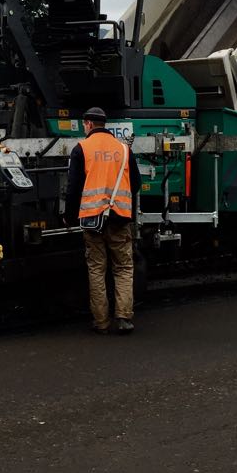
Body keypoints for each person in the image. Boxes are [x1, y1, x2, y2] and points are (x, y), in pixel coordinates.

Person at [65, 106, 142, 334]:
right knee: (124, 267)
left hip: (92, 219)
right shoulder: (123, 149)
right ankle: (124, 318)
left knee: (97, 269)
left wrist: (70, 216)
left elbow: (73, 188)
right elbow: (135, 182)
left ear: (88, 124)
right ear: (104, 124)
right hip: (119, 217)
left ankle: (101, 322)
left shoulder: (81, 149)